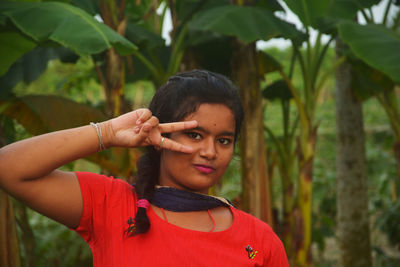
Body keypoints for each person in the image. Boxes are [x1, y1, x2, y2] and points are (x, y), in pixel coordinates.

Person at [0, 70, 289, 266]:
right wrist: (109, 132)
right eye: (195, 135)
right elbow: (8, 168)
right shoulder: (111, 206)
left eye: (224, 140)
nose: (210, 152)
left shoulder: (259, 240)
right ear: (161, 134)